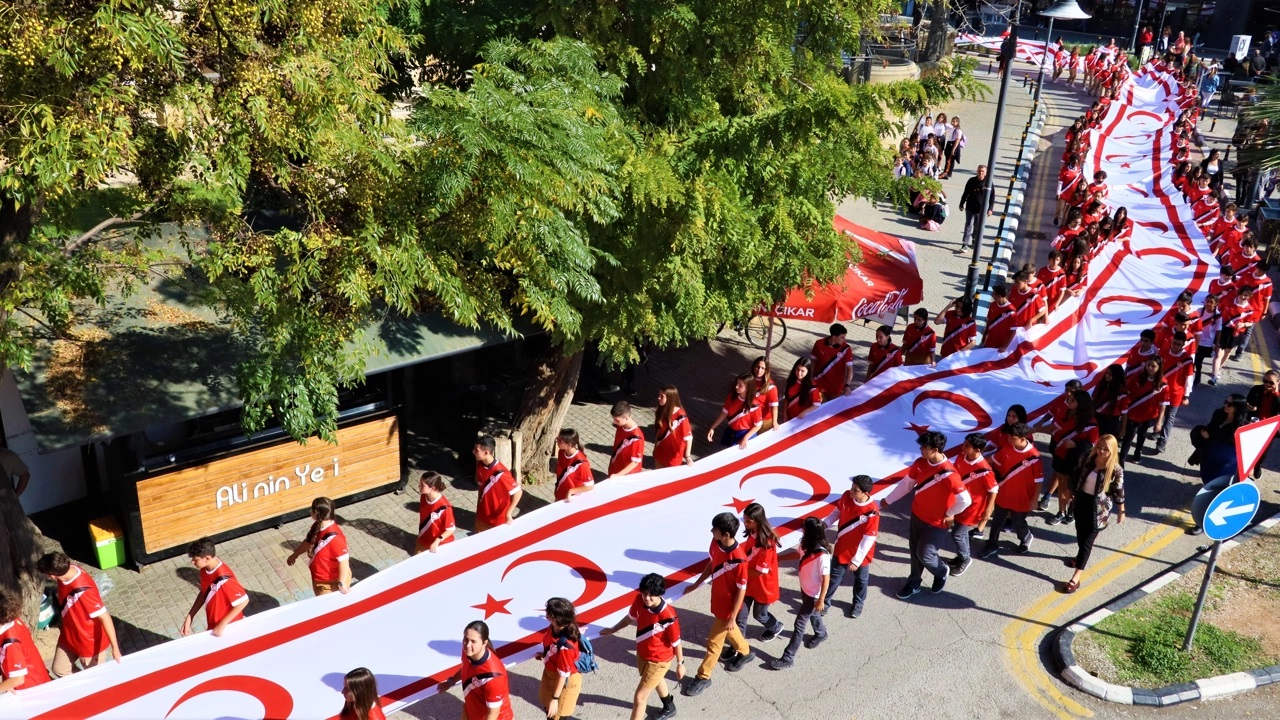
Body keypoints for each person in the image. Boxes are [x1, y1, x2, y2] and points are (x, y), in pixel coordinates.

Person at [888, 431, 970, 599]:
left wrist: (949, 513)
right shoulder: (920, 463)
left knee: (925, 554)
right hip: (917, 515)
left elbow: (965, 500)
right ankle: (914, 582)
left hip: (936, 523)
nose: (920, 449)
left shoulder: (950, 475)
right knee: (914, 551)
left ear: (935, 449)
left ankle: (941, 571)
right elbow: (906, 485)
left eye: (924, 447)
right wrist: (886, 501)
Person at [683, 512, 753, 696]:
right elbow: (712, 563)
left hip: (727, 607)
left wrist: (732, 616)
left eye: (715, 529)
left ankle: (703, 676)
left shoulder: (739, 560)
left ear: (727, 535)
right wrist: (697, 584)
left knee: (714, 643)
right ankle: (745, 652)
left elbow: (741, 590)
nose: (711, 531)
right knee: (730, 630)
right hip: (717, 600)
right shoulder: (716, 543)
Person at [605, 573, 683, 720]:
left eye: (651, 595)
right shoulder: (639, 600)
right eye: (644, 593)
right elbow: (630, 618)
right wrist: (613, 629)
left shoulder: (668, 615)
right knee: (657, 680)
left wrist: (680, 663)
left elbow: (676, 642)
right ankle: (669, 706)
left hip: (659, 660)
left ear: (660, 594)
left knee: (640, 698)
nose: (646, 598)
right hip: (643, 654)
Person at [36, 551, 123, 676]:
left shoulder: (84, 591)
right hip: (70, 635)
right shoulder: (69, 570)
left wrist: (115, 649)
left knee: (95, 677)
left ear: (53, 576)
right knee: (59, 669)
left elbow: (105, 617)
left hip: (88, 643)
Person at [1060, 437, 1126, 594]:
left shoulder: (1116, 470)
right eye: (1100, 447)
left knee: (1087, 543)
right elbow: (1075, 476)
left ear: (1112, 451)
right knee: (1080, 534)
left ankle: (1076, 577)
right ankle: (1079, 558)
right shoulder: (1088, 459)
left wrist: (1121, 511)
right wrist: (1068, 493)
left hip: (1098, 510)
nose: (1101, 451)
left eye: (1106, 449)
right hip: (1081, 501)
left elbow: (1119, 491)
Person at [767, 517, 831, 670]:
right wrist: (778, 558)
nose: (801, 528)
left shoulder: (822, 555)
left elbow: (826, 578)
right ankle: (821, 633)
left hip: (813, 595)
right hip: (805, 588)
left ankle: (788, 657)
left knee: (800, 624)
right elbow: (798, 555)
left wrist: (821, 599)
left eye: (804, 527)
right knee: (813, 614)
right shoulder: (805, 543)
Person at [823, 474, 879, 618]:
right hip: (842, 547)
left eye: (855, 490)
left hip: (860, 554)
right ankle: (824, 602)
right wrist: (826, 523)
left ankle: (858, 604)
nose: (851, 491)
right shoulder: (847, 496)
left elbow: (869, 538)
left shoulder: (872, 512)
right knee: (834, 578)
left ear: (866, 493)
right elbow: (837, 512)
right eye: (852, 488)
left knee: (861, 580)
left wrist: (856, 560)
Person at [981, 423, 1041, 558]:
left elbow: (1038, 481)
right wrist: (977, 463)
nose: (1008, 440)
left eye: (1012, 438)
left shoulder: (1034, 456)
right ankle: (992, 545)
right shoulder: (1007, 448)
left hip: (1022, 497)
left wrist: (1034, 500)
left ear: (1023, 438)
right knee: (997, 520)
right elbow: (992, 459)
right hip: (1004, 493)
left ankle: (1025, 537)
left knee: (1018, 522)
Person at [439, 621, 514, 720]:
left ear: (484, 642)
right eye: (465, 639)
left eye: (473, 641)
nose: (467, 645)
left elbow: (493, 714)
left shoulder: (494, 677)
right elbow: (466, 668)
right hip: (473, 712)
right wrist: (451, 681)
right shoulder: (468, 652)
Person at [1045, 390, 1098, 526]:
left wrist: (1075, 444)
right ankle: (1061, 512)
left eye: (1073, 400)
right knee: (1062, 485)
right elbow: (1055, 427)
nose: (1068, 401)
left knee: (1072, 488)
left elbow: (1093, 443)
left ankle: (1072, 510)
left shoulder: (1090, 423)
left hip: (1076, 460)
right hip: (1061, 455)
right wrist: (1036, 429)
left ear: (1080, 404)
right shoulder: (1067, 413)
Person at [180, 537, 248, 638]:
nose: (192, 562)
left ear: (207, 558)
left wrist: (222, 625)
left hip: (229, 629)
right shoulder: (205, 568)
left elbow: (243, 601)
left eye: (195, 559)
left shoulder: (224, 578)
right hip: (214, 626)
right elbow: (205, 591)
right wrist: (190, 616)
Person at [736, 503, 785, 642]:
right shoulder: (753, 532)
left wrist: (739, 572)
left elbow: (759, 572)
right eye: (744, 519)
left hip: (763, 586)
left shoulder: (766, 543)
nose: (745, 523)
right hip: (750, 581)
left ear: (757, 521)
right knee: (741, 614)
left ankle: (775, 627)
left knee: (760, 615)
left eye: (748, 521)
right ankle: (739, 645)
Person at [950, 434, 997, 575]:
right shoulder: (961, 456)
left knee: (957, 534)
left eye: (967, 446)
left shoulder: (985, 470)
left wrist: (987, 511)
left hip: (971, 507)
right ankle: (961, 556)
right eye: (964, 444)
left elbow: (993, 489)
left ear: (977, 450)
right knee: (959, 532)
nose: (962, 447)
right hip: (957, 501)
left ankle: (965, 558)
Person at [287, 496, 353, 595]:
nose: (310, 511)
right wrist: (295, 554)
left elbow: (344, 562)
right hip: (319, 580)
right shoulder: (316, 526)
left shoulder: (336, 538)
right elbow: (308, 542)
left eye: (312, 510)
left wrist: (342, 583)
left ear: (317, 513)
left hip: (330, 583)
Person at [537, 597, 583, 720]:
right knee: (549, 713)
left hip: (563, 683)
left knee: (556, 717)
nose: (545, 615)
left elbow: (563, 675)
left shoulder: (566, 647)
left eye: (548, 613)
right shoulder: (554, 628)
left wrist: (555, 699)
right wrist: (545, 654)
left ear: (555, 618)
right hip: (551, 674)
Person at [0, 587, 51, 692]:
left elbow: (17, 679)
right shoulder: (13, 619)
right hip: (37, 678)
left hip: (30, 689)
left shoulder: (10, 642)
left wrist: (6, 685)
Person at [1121, 357, 1168, 464]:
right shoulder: (1137, 377)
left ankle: (1137, 452)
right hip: (1133, 414)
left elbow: (1163, 405)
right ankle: (1121, 461)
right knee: (1128, 437)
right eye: (1148, 365)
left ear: (1159, 368)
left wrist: (1159, 422)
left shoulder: (1163, 383)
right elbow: (1127, 392)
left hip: (1148, 416)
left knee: (1141, 435)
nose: (1150, 368)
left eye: (1153, 366)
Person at [1155, 331, 1195, 454]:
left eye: (1178, 344)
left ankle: (1162, 441)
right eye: (1174, 343)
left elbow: (1189, 378)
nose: (1175, 346)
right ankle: (1156, 432)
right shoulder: (1163, 353)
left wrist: (1186, 395)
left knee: (1169, 418)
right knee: (1156, 414)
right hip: (1161, 391)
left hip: (1176, 394)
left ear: (1183, 344)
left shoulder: (1187, 359)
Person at [1210, 285, 1257, 384]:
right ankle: (1214, 377)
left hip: (1235, 333)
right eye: (1242, 294)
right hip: (1223, 330)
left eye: (1246, 296)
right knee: (1218, 354)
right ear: (1239, 293)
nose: (1243, 297)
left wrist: (1243, 324)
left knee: (1227, 353)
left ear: (1249, 297)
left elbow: (1251, 322)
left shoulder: (1249, 309)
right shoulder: (1228, 300)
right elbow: (1218, 310)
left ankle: (1218, 369)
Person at [472, 435, 521, 531]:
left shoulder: (501, 473)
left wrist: (508, 513)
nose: (473, 452)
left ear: (486, 452)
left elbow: (518, 492)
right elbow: (481, 488)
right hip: (482, 516)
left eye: (476, 450)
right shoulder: (480, 465)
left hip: (497, 521)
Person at [705, 374, 762, 450]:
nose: (736, 386)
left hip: (745, 434)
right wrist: (712, 427)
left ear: (747, 387)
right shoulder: (731, 397)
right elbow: (724, 413)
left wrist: (745, 438)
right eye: (736, 383)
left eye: (740, 385)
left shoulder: (755, 405)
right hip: (731, 431)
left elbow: (758, 425)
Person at [1246, 370, 1280, 478]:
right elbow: (1249, 402)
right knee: (1250, 447)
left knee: (1263, 452)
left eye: (1271, 382)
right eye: (1265, 381)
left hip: (1270, 427)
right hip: (1255, 423)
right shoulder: (1257, 390)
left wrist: (1276, 394)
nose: (1267, 384)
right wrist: (1251, 407)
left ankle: (1257, 465)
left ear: (1278, 382)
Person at [809, 323, 855, 400]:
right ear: (834, 337)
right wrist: (810, 377)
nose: (844, 340)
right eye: (842, 337)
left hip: (836, 387)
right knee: (816, 408)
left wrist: (847, 385)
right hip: (819, 383)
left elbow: (850, 369)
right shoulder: (819, 344)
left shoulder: (846, 348)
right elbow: (813, 361)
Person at [416, 471, 456, 553]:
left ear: (433, 488)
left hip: (440, 544)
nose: (419, 486)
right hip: (424, 539)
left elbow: (450, 529)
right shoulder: (424, 496)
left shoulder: (445, 507)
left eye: (422, 485)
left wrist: (437, 540)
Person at [653, 386, 694, 468]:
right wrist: (655, 447)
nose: (659, 398)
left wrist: (687, 456)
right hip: (660, 452)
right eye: (659, 395)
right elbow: (659, 431)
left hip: (673, 457)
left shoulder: (681, 416)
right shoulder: (661, 410)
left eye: (662, 396)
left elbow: (688, 437)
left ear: (670, 398)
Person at [958, 165, 994, 251]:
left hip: (981, 210)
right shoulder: (971, 181)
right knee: (968, 225)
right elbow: (965, 193)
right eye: (979, 171)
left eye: (982, 171)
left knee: (977, 226)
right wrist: (961, 204)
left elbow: (992, 197)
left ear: (986, 173)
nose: (980, 173)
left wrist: (990, 209)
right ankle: (965, 244)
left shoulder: (988, 183)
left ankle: (974, 239)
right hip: (970, 207)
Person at [554, 429, 595, 502]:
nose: (557, 441)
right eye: (558, 439)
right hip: (560, 494)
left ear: (568, 445)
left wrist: (571, 491)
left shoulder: (582, 464)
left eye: (560, 440)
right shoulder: (561, 452)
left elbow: (590, 486)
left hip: (572, 498)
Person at [609, 401, 645, 477]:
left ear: (626, 418)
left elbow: (635, 462)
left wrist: (618, 475)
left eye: (617, 420)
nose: (614, 422)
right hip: (616, 467)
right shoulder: (621, 426)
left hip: (627, 475)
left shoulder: (636, 437)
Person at [1092, 364, 1128, 440]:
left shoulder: (1122, 391)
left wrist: (1123, 429)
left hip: (1110, 421)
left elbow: (1124, 411)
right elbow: (1093, 400)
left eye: (1110, 374)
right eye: (1106, 373)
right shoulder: (1101, 385)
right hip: (1097, 416)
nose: (1107, 376)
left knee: (1104, 441)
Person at [782, 357, 822, 422]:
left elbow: (817, 404)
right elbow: (787, 398)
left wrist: (805, 412)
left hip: (802, 419)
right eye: (797, 369)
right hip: (789, 416)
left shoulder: (812, 387)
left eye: (802, 371)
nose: (799, 373)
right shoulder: (791, 380)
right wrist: (784, 413)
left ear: (808, 371)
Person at [1195, 294, 1222, 385]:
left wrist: (1217, 344)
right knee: (1197, 361)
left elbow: (1218, 331)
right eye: (1207, 301)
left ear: (1216, 304)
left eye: (1211, 302)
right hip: (1198, 341)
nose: (1208, 304)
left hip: (1208, 343)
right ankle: (1197, 375)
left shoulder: (1218, 316)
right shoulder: (1199, 311)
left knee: (1200, 359)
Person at [750, 356, 780, 432]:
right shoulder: (748, 380)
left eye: (763, 368)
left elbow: (774, 407)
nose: (759, 370)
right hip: (749, 417)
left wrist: (774, 422)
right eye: (758, 367)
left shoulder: (771, 387)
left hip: (763, 422)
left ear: (766, 370)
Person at [984, 285, 1018, 349]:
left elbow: (1013, 331)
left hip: (1001, 346)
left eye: (994, 294)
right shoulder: (993, 305)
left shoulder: (1011, 311)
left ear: (999, 296)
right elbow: (989, 321)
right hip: (990, 342)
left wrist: (1005, 347)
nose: (992, 296)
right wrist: (985, 335)